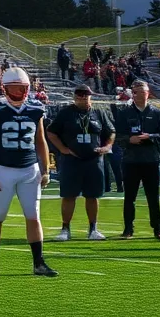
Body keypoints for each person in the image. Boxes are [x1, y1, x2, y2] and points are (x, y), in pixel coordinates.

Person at [0, 67, 57, 277]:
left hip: (29, 169)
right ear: (4, 88)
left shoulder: (35, 107)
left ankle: (38, 262)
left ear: (28, 88)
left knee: (33, 215)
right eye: (12, 88)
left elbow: (41, 141)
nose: (17, 92)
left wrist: (46, 169)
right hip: (2, 169)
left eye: (20, 88)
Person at [46, 86, 113, 241]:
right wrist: (63, 149)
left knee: (93, 195)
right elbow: (51, 132)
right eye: (81, 95)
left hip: (94, 160)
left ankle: (93, 229)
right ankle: (65, 229)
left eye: (87, 95)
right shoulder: (66, 113)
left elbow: (110, 132)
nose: (84, 98)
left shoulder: (98, 112)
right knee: (69, 195)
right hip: (72, 160)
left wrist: (107, 147)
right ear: (75, 97)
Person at [112, 80, 160, 239]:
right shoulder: (124, 113)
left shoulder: (158, 113)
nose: (138, 95)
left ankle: (157, 228)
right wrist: (129, 140)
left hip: (151, 160)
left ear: (148, 93)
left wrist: (150, 137)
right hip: (130, 161)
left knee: (153, 197)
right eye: (135, 92)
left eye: (142, 92)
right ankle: (128, 229)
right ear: (133, 94)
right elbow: (118, 136)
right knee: (129, 197)